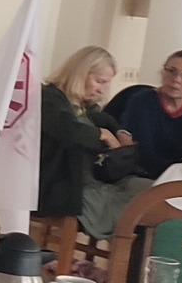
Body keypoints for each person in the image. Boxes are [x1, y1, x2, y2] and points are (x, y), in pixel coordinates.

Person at [37, 45, 136, 239]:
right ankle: (122, 253)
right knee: (135, 207)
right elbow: (69, 131)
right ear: (81, 73)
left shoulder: (83, 105)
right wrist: (102, 135)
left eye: (105, 83)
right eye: (99, 81)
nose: (101, 89)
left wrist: (120, 132)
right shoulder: (49, 98)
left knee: (148, 193)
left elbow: (106, 120)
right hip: (61, 185)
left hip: (86, 180)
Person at [103, 49, 182, 179]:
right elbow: (140, 151)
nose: (176, 79)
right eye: (171, 71)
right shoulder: (142, 101)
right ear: (162, 73)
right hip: (141, 174)